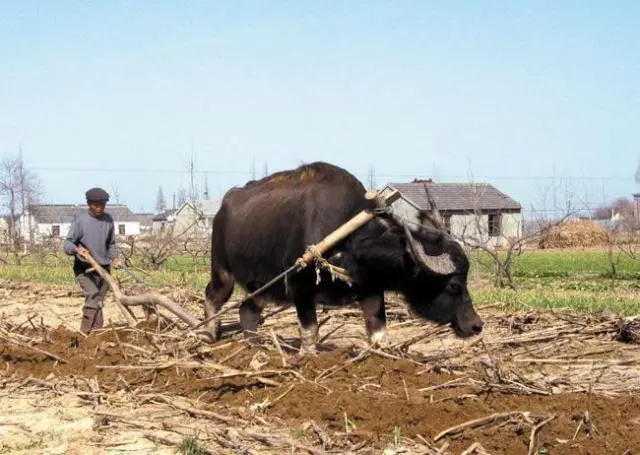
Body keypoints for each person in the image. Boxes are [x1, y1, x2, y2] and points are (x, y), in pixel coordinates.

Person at [63, 187, 121, 333]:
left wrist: (114, 258)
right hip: (84, 269)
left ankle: (96, 335)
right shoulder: (81, 222)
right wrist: (77, 249)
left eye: (102, 205)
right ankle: (84, 333)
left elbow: (111, 244)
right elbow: (67, 244)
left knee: (100, 301)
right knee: (93, 295)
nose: (100, 208)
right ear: (89, 204)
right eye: (96, 205)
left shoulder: (108, 220)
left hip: (104, 270)